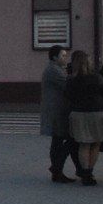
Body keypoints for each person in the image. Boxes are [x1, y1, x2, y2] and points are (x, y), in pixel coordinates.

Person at [65, 51, 103, 184]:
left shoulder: (71, 79)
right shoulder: (97, 78)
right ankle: (90, 171)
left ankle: (85, 173)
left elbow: (67, 96)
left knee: (83, 144)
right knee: (96, 143)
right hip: (97, 111)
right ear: (88, 62)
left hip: (78, 113)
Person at [38, 46, 78, 183]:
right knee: (61, 139)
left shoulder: (56, 69)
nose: (65, 58)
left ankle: (57, 169)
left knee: (59, 140)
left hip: (57, 110)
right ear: (55, 57)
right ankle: (57, 169)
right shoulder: (54, 70)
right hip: (56, 111)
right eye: (63, 56)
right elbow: (69, 84)